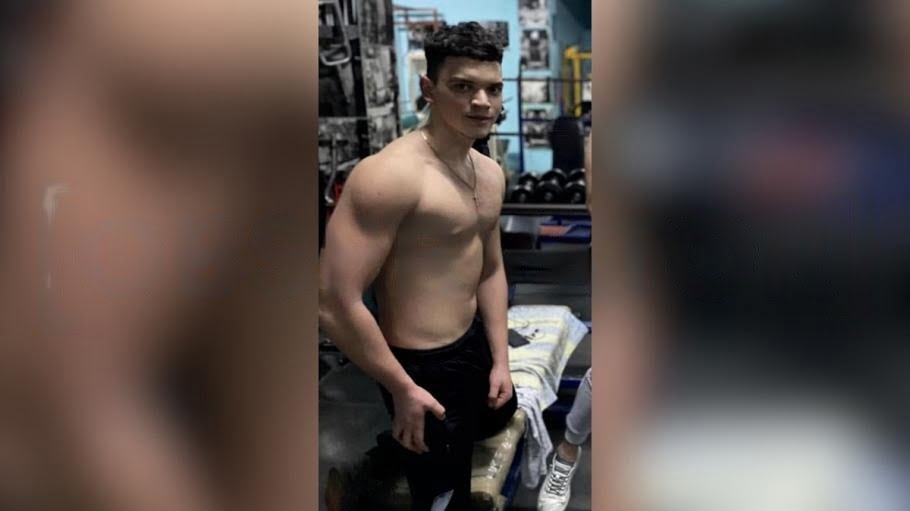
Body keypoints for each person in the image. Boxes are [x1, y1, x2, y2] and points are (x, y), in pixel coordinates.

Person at [319, 22, 518, 511]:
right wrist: (403, 388)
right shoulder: (388, 177)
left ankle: (387, 456)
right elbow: (333, 302)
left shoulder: (490, 173)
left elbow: (491, 269)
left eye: (492, 89)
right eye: (463, 87)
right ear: (429, 89)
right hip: (420, 363)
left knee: (500, 411)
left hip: (471, 340)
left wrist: (501, 359)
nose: (482, 102)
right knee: (444, 492)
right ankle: (379, 478)